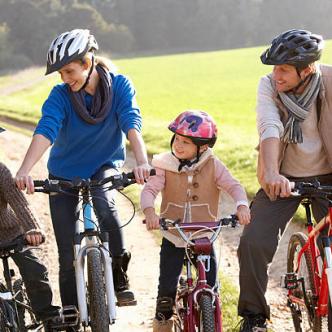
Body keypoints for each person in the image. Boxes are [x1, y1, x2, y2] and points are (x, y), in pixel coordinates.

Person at [15, 29, 151, 314]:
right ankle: (71, 311)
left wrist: (141, 161)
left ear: (87, 63)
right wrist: (25, 169)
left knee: (105, 206)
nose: (65, 79)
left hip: (103, 165)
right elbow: (46, 129)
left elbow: (131, 123)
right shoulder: (60, 96)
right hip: (64, 173)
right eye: (60, 74)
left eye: (68, 71)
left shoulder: (120, 86)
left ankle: (118, 275)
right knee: (67, 252)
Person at [237, 29, 332, 331]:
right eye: (274, 68)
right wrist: (272, 173)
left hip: (328, 175)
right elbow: (269, 126)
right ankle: (254, 317)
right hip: (284, 177)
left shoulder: (330, 81)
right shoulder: (268, 86)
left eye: (284, 69)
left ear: (307, 70)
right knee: (253, 242)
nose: (276, 75)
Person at [140, 110, 251, 332]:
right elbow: (150, 189)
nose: (179, 146)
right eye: (177, 139)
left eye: (186, 143)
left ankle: (209, 317)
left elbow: (233, 185)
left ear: (203, 147)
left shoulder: (213, 164)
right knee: (167, 287)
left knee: (210, 284)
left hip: (203, 235)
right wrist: (150, 211)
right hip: (174, 234)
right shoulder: (165, 164)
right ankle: (162, 323)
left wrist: (241, 204)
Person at [0, 127, 60, 326]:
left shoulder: (1, 171)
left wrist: (32, 228)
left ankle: (48, 315)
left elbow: (19, 202)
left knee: (35, 269)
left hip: (10, 234)